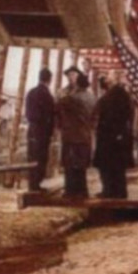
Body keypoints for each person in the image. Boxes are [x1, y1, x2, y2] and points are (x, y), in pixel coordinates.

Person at [55, 68, 96, 199]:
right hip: (85, 135)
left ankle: (71, 191)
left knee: (70, 165)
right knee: (81, 166)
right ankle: (83, 191)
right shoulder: (92, 97)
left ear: (78, 83)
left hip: (72, 136)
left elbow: (59, 106)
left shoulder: (71, 97)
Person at [93, 73, 134, 199]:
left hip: (107, 137)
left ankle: (108, 190)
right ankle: (120, 191)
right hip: (121, 137)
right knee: (119, 168)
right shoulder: (125, 96)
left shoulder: (107, 98)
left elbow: (99, 115)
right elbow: (129, 115)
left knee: (106, 167)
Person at [23, 68, 56, 193]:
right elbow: (51, 116)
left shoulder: (31, 93)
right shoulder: (48, 96)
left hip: (32, 129)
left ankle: (32, 183)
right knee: (41, 157)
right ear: (49, 80)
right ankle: (36, 184)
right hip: (43, 131)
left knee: (31, 155)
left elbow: (28, 113)